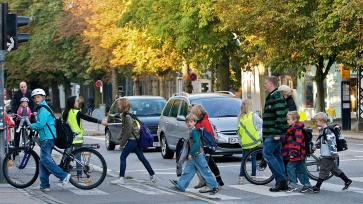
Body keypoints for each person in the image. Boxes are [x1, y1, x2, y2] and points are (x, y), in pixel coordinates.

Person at [29, 88, 71, 192]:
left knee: (45, 159)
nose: (36, 99)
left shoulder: (43, 109)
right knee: (42, 161)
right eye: (35, 98)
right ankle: (44, 185)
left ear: (43, 97)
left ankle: (64, 176)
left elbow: (41, 124)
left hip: (48, 137)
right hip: (46, 137)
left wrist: (30, 125)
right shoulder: (41, 108)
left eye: (38, 97)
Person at [170, 113, 219, 195]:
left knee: (205, 171)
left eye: (191, 121)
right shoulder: (192, 130)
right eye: (187, 122)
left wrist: (190, 153)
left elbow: (196, 143)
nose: (189, 123)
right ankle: (181, 185)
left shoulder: (194, 131)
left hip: (198, 155)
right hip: (194, 156)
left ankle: (214, 186)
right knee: (188, 171)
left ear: (195, 122)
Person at [111, 98, 157, 185]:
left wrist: (121, 143)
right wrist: (119, 139)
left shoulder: (127, 116)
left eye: (119, 104)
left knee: (123, 157)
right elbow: (124, 130)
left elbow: (127, 132)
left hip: (132, 140)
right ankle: (153, 175)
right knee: (141, 158)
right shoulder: (126, 115)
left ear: (123, 105)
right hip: (135, 139)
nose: (118, 106)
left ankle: (121, 178)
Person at [311, 112, 352, 193]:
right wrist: (315, 147)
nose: (315, 123)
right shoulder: (323, 131)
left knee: (323, 171)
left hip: (328, 155)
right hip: (326, 154)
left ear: (322, 121)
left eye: (316, 121)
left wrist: (334, 154)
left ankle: (317, 187)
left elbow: (332, 143)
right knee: (334, 170)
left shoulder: (328, 131)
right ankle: (347, 181)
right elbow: (320, 141)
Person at [262, 76, 289, 192]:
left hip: (273, 134)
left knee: (267, 154)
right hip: (271, 133)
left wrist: (279, 132)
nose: (264, 85)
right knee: (277, 156)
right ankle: (282, 181)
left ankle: (281, 180)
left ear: (271, 84)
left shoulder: (276, 96)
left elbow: (281, 115)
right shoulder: (272, 96)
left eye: (265, 83)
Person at [190, 104, 224, 192]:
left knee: (204, 166)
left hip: (207, 147)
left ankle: (208, 184)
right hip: (206, 147)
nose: (192, 115)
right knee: (210, 163)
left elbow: (208, 136)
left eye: (193, 113)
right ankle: (218, 180)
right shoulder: (201, 121)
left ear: (197, 113)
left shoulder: (204, 122)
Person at [284, 111, 313, 193]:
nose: (288, 121)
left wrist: (293, 153)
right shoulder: (292, 128)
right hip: (300, 153)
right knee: (301, 169)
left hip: (297, 153)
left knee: (290, 167)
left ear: (295, 120)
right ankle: (307, 185)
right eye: (287, 119)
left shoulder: (296, 129)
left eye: (289, 119)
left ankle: (293, 185)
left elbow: (298, 142)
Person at [237, 99, 262, 185]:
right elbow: (261, 123)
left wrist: (240, 141)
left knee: (243, 160)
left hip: (245, 142)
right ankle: (253, 176)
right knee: (253, 160)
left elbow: (238, 131)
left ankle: (241, 178)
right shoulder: (253, 115)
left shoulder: (240, 117)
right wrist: (257, 130)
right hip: (254, 141)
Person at [11, 82, 35, 149]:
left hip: (29, 114)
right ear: (20, 87)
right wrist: (13, 112)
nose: (23, 88)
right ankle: (16, 149)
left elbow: (33, 104)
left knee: (33, 125)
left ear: (26, 87)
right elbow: (14, 104)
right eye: (21, 87)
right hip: (19, 115)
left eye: (24, 86)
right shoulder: (16, 94)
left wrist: (34, 112)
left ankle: (31, 138)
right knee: (17, 131)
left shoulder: (30, 93)